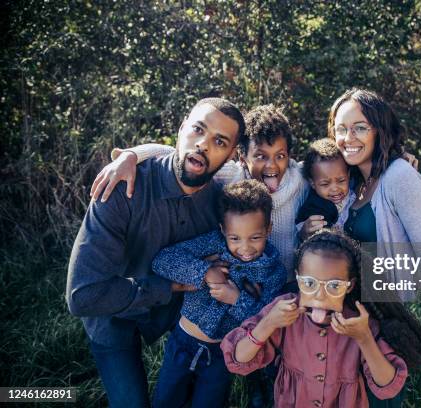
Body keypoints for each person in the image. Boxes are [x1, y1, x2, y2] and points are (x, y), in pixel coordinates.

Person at [65, 97, 246, 408]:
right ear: (181, 129)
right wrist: (171, 285)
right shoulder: (121, 186)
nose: (203, 144)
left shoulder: (220, 202)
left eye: (219, 141)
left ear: (231, 155)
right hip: (112, 316)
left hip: (177, 314)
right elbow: (82, 296)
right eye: (197, 130)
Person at [220, 229, 421, 408]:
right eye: (309, 283)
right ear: (297, 279)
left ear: (350, 286)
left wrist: (364, 338)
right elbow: (238, 361)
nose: (319, 295)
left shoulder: (360, 323)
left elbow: (387, 386)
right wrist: (268, 324)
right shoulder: (283, 312)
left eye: (334, 286)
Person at [326, 88, 421, 380]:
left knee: (382, 393)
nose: (349, 138)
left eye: (360, 128)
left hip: (386, 317)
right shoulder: (351, 180)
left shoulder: (400, 177)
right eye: (341, 129)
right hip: (349, 314)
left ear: (380, 130)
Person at [94, 105, 309, 275]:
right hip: (241, 280)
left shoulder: (299, 179)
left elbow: (331, 168)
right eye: (261, 156)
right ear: (242, 158)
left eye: (280, 156)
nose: (272, 165)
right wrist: (130, 156)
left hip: (287, 280)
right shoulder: (232, 176)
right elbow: (175, 153)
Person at [151, 179, 286, 408]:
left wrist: (237, 299)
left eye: (255, 237)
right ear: (223, 230)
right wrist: (205, 272)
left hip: (223, 353)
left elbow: (266, 322)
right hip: (183, 341)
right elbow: (162, 260)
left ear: (268, 229)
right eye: (235, 238)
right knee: (165, 400)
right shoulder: (213, 243)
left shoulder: (274, 272)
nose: (245, 248)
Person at [296, 138, 355, 238]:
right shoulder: (313, 207)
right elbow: (302, 231)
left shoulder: (355, 197)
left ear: (348, 175)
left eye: (341, 181)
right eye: (325, 184)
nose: (335, 189)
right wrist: (304, 233)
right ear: (312, 183)